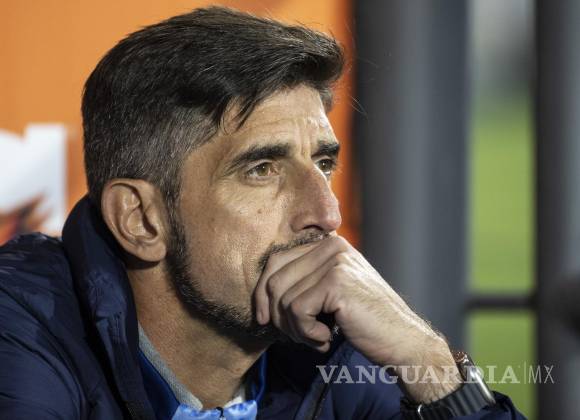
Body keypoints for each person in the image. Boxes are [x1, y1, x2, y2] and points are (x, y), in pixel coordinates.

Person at [0, 7, 525, 420]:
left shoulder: (333, 354)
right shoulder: (22, 327)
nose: (327, 214)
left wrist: (426, 362)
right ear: (139, 219)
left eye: (323, 163)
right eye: (262, 170)